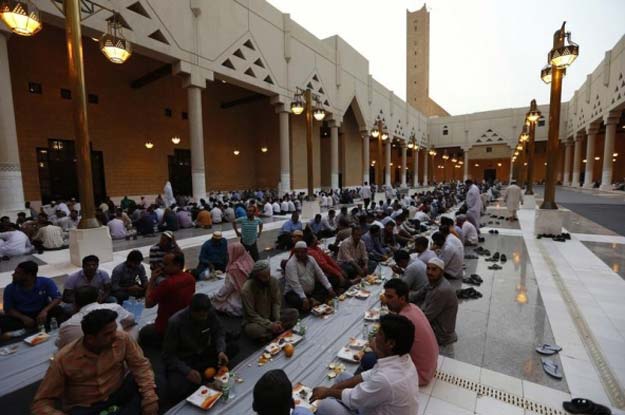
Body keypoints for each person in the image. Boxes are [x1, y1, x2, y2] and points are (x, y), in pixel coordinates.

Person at [32, 309, 158, 414]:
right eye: (108, 333)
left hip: (118, 392)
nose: (115, 335)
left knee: (155, 384)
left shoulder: (121, 339)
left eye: (114, 330)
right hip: (87, 406)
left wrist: (149, 398)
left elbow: (140, 366)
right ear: (91, 339)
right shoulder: (64, 359)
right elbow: (41, 402)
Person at [312, 314, 419, 415]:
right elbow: (366, 375)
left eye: (380, 333)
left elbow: (353, 398)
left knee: (325, 406)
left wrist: (327, 392)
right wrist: (333, 389)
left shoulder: (385, 378)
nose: (376, 336)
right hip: (376, 402)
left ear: (390, 343)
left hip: (369, 406)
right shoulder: (404, 359)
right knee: (342, 377)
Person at [359, 279, 438, 386]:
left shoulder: (404, 321)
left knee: (368, 359)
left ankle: (372, 389)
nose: (385, 301)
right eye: (385, 296)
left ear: (402, 299)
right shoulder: (414, 308)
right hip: (430, 368)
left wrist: (373, 346)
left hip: (419, 375)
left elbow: (392, 356)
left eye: (390, 297)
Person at [163, 294, 233, 403]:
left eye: (205, 315)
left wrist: (221, 351)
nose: (204, 318)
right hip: (185, 359)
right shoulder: (175, 323)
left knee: (232, 348)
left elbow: (219, 332)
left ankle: (202, 373)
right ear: (191, 312)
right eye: (200, 316)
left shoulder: (209, 312)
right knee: (175, 389)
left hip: (203, 352)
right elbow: (168, 356)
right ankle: (201, 376)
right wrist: (187, 371)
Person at [140, 252, 195, 347]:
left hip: (165, 327)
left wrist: (152, 281)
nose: (162, 267)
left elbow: (148, 304)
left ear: (177, 265)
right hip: (184, 322)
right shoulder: (190, 278)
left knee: (143, 333)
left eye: (166, 264)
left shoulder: (167, 284)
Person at [57, 286, 135, 349]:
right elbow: (131, 319)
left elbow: (61, 345)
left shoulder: (67, 325)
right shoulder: (114, 307)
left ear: (75, 304)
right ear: (99, 298)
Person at [0, 261, 65, 333]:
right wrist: (23, 318)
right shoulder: (10, 288)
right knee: (3, 321)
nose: (13, 275)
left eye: (17, 273)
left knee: (59, 310)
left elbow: (57, 298)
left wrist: (45, 311)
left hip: (41, 313)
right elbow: (8, 309)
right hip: (21, 315)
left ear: (29, 275)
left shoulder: (46, 282)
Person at [241, 260, 299, 341]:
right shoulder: (246, 290)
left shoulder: (273, 281)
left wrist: (277, 319)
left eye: (268, 275)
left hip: (272, 316)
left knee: (294, 313)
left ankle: (270, 333)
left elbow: (276, 302)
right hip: (256, 321)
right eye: (264, 277)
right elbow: (251, 315)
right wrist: (270, 325)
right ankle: (274, 330)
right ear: (256, 277)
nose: (267, 279)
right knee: (254, 330)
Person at [413, 258, 458, 346]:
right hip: (434, 320)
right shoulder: (432, 282)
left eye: (434, 269)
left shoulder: (442, 290)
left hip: (441, 333)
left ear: (441, 272)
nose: (429, 272)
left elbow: (426, 318)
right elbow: (417, 295)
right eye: (428, 268)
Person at [284, 241, 336, 313]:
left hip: (311, 290)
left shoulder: (311, 259)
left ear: (306, 252)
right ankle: (314, 301)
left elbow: (320, 274)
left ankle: (313, 301)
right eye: (297, 252)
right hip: (295, 292)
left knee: (330, 283)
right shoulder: (291, 264)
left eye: (302, 252)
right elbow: (295, 284)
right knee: (295, 300)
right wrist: (303, 298)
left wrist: (329, 288)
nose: (299, 254)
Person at [210, 242, 254, 316]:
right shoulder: (249, 260)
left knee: (218, 303)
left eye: (229, 253)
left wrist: (216, 297)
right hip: (254, 297)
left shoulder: (234, 269)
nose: (228, 255)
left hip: (242, 300)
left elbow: (227, 288)